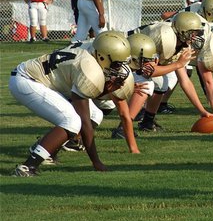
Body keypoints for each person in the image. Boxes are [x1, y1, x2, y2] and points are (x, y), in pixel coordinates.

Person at [10, 31, 132, 176]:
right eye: (117, 64)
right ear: (101, 56)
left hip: (50, 82)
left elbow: (83, 96)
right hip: (27, 79)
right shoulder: (89, 67)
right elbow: (84, 121)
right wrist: (96, 161)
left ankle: (47, 149)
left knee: (96, 114)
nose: (119, 68)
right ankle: (28, 166)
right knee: (72, 121)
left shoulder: (92, 52)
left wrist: (105, 89)